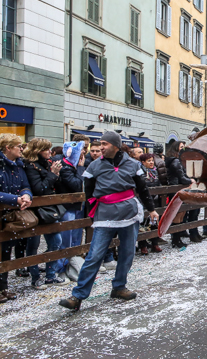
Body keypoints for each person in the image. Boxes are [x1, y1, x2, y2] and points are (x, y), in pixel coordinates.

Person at [59, 131, 159, 310]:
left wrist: (151, 209)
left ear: (115, 145)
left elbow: (143, 189)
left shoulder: (133, 164)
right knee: (94, 256)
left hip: (129, 213)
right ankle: (78, 295)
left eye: (104, 144)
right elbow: (88, 193)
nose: (101, 148)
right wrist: (91, 214)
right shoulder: (94, 167)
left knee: (127, 253)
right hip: (105, 215)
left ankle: (119, 287)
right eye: (100, 144)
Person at [22, 138, 68, 290]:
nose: (50, 152)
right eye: (46, 149)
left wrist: (56, 173)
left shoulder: (48, 164)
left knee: (56, 241)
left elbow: (55, 184)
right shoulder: (30, 166)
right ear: (37, 151)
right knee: (33, 244)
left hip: (49, 210)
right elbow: (39, 189)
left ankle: (50, 275)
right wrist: (53, 174)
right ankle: (35, 277)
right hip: (34, 211)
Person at [0, 133, 33, 304]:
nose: (22, 149)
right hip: (4, 211)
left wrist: (26, 195)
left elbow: (25, 185)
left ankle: (3, 288)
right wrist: (14, 199)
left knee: (6, 251)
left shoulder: (18, 167)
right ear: (7, 148)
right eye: (19, 146)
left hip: (10, 216)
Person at [55, 141, 89, 274]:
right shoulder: (66, 167)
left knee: (75, 239)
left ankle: (71, 266)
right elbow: (77, 185)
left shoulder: (72, 167)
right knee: (65, 240)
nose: (84, 153)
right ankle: (61, 268)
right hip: (66, 208)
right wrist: (80, 169)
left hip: (75, 207)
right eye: (81, 151)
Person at [165, 141, 196, 246]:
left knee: (181, 213)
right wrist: (190, 181)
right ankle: (175, 239)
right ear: (176, 148)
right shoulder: (175, 161)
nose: (184, 148)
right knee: (177, 214)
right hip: (176, 190)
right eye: (181, 147)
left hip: (179, 189)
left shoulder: (177, 160)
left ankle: (177, 238)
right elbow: (181, 177)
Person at [137, 153, 163, 254]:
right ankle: (143, 245)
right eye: (149, 161)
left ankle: (154, 243)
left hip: (154, 200)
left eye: (152, 160)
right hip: (143, 201)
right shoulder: (140, 172)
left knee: (154, 222)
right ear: (143, 163)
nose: (151, 162)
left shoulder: (155, 172)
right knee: (143, 223)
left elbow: (159, 183)